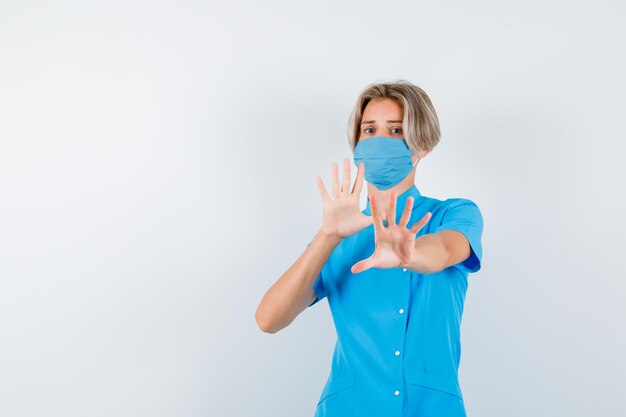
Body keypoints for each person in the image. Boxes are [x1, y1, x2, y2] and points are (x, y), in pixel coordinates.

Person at [255, 80, 484, 417]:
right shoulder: (338, 238)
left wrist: (410, 253)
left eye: (395, 131)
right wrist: (327, 236)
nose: (380, 140)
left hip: (432, 408)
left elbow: (446, 250)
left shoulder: (452, 214)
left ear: (422, 144)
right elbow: (268, 319)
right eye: (369, 130)